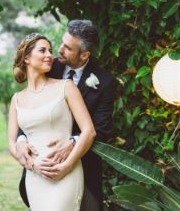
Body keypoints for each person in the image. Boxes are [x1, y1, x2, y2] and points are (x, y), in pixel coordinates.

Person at [15, 20, 116, 211]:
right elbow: (31, 108)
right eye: (61, 43)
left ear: (84, 54)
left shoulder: (103, 82)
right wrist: (20, 139)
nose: (59, 50)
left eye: (68, 48)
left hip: (83, 167)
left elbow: (101, 130)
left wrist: (72, 142)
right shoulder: (47, 67)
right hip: (42, 167)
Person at [8, 33, 96, 211]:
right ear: (26, 58)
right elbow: (11, 143)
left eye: (50, 50)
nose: (49, 55)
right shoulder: (17, 99)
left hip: (65, 173)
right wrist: (32, 164)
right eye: (42, 50)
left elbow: (89, 131)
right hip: (35, 177)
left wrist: (66, 165)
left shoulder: (66, 87)